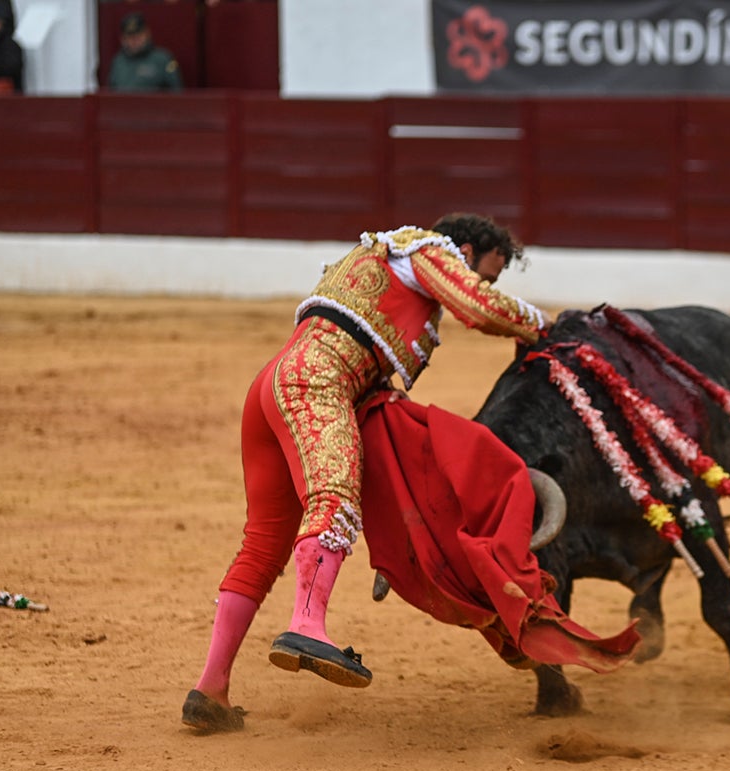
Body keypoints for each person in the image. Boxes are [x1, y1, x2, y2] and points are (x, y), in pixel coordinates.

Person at [181, 213, 550, 733]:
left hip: (277, 381)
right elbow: (481, 307)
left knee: (263, 545)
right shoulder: (426, 249)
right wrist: (545, 327)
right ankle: (307, 624)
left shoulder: (386, 265)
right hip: (317, 380)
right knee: (334, 499)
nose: (483, 283)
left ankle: (210, 691)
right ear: (465, 251)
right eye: (485, 271)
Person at [107, 12, 181, 92]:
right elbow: (110, 93)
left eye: (138, 35)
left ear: (147, 34)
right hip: (123, 104)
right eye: (130, 37)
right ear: (123, 39)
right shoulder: (118, 61)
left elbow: (176, 93)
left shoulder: (163, 59)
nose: (135, 40)